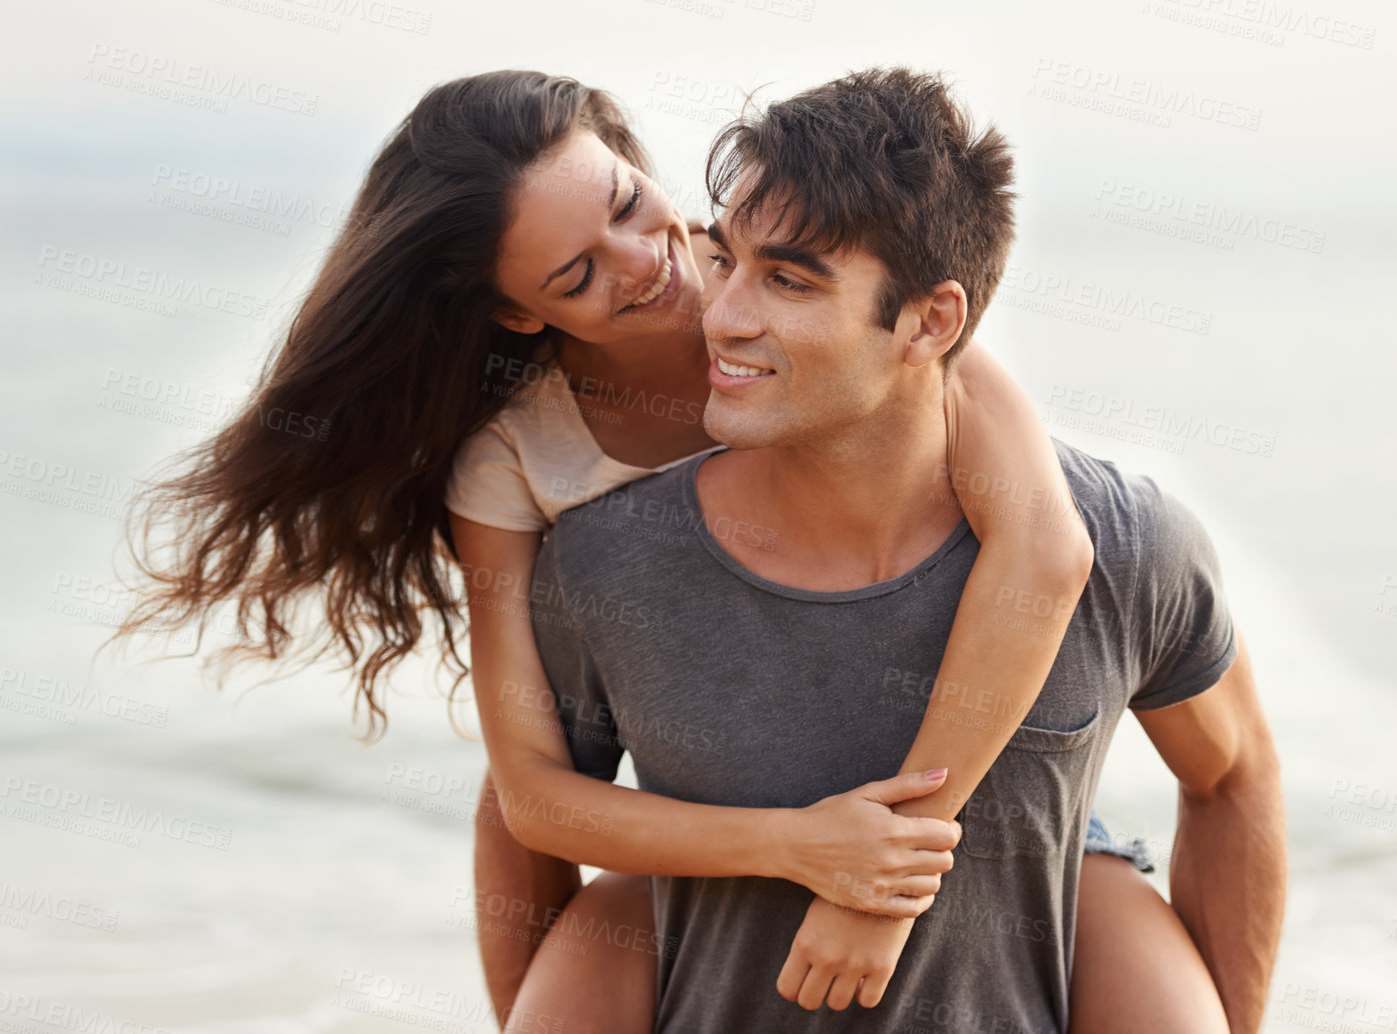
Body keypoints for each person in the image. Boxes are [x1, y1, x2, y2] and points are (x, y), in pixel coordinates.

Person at [111, 70, 1225, 1030]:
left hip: (959, 798)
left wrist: (873, 876)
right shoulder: (518, 462)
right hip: (723, 798)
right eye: (576, 277)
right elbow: (533, 800)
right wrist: (793, 850)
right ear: (514, 316)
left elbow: (1040, 548)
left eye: (631, 207)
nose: (656, 268)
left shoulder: (799, 291)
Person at [517, 68, 1286, 1032]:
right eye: (729, 261)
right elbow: (534, 815)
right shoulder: (607, 564)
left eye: (789, 280)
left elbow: (1230, 775)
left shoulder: (1127, 547)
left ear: (930, 321)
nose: (721, 316)